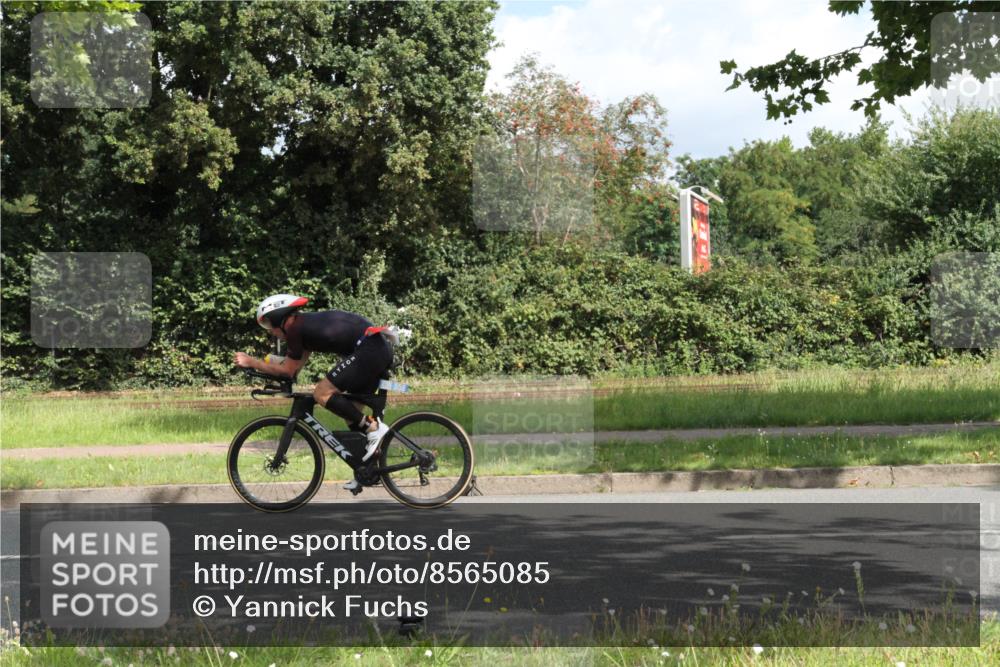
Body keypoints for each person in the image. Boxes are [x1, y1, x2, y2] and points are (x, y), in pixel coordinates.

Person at [234, 294, 393, 490]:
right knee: (351, 415)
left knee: (322, 393)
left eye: (270, 325)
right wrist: (269, 375)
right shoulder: (303, 328)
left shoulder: (295, 329)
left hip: (370, 350)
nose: (271, 331)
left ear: (279, 318)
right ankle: (367, 470)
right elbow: (292, 370)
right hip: (373, 349)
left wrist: (252, 362)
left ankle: (374, 428)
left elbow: (288, 370)